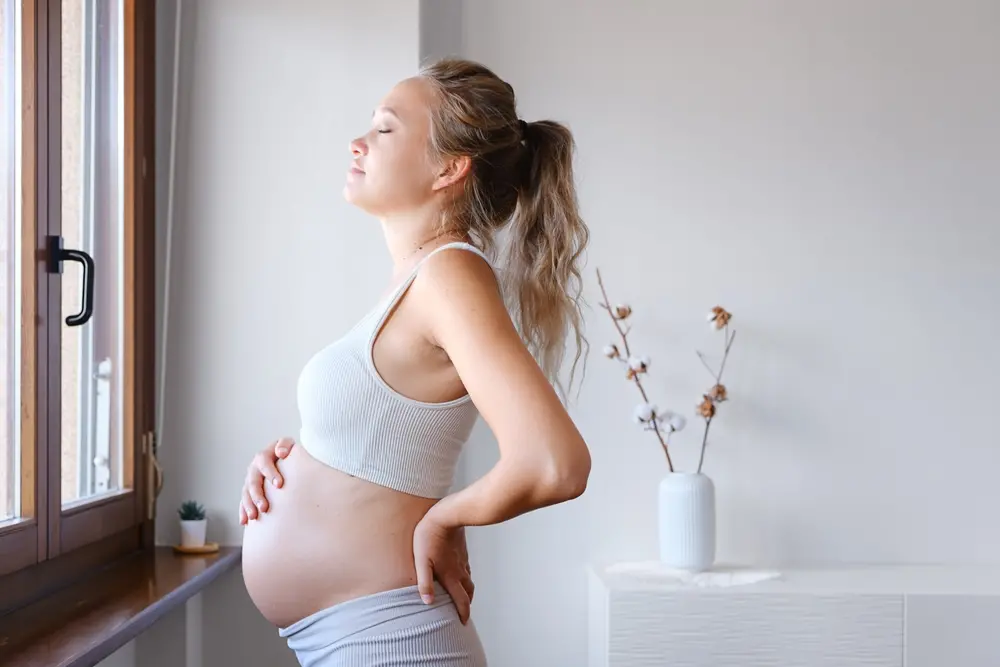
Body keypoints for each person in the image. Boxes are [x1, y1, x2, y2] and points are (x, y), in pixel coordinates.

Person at [237, 57, 592, 666]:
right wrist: (296, 464)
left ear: (449, 168)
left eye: (384, 128)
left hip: (393, 641)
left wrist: (444, 519)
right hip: (354, 636)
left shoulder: (449, 274)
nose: (358, 142)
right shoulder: (419, 279)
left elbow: (555, 463)